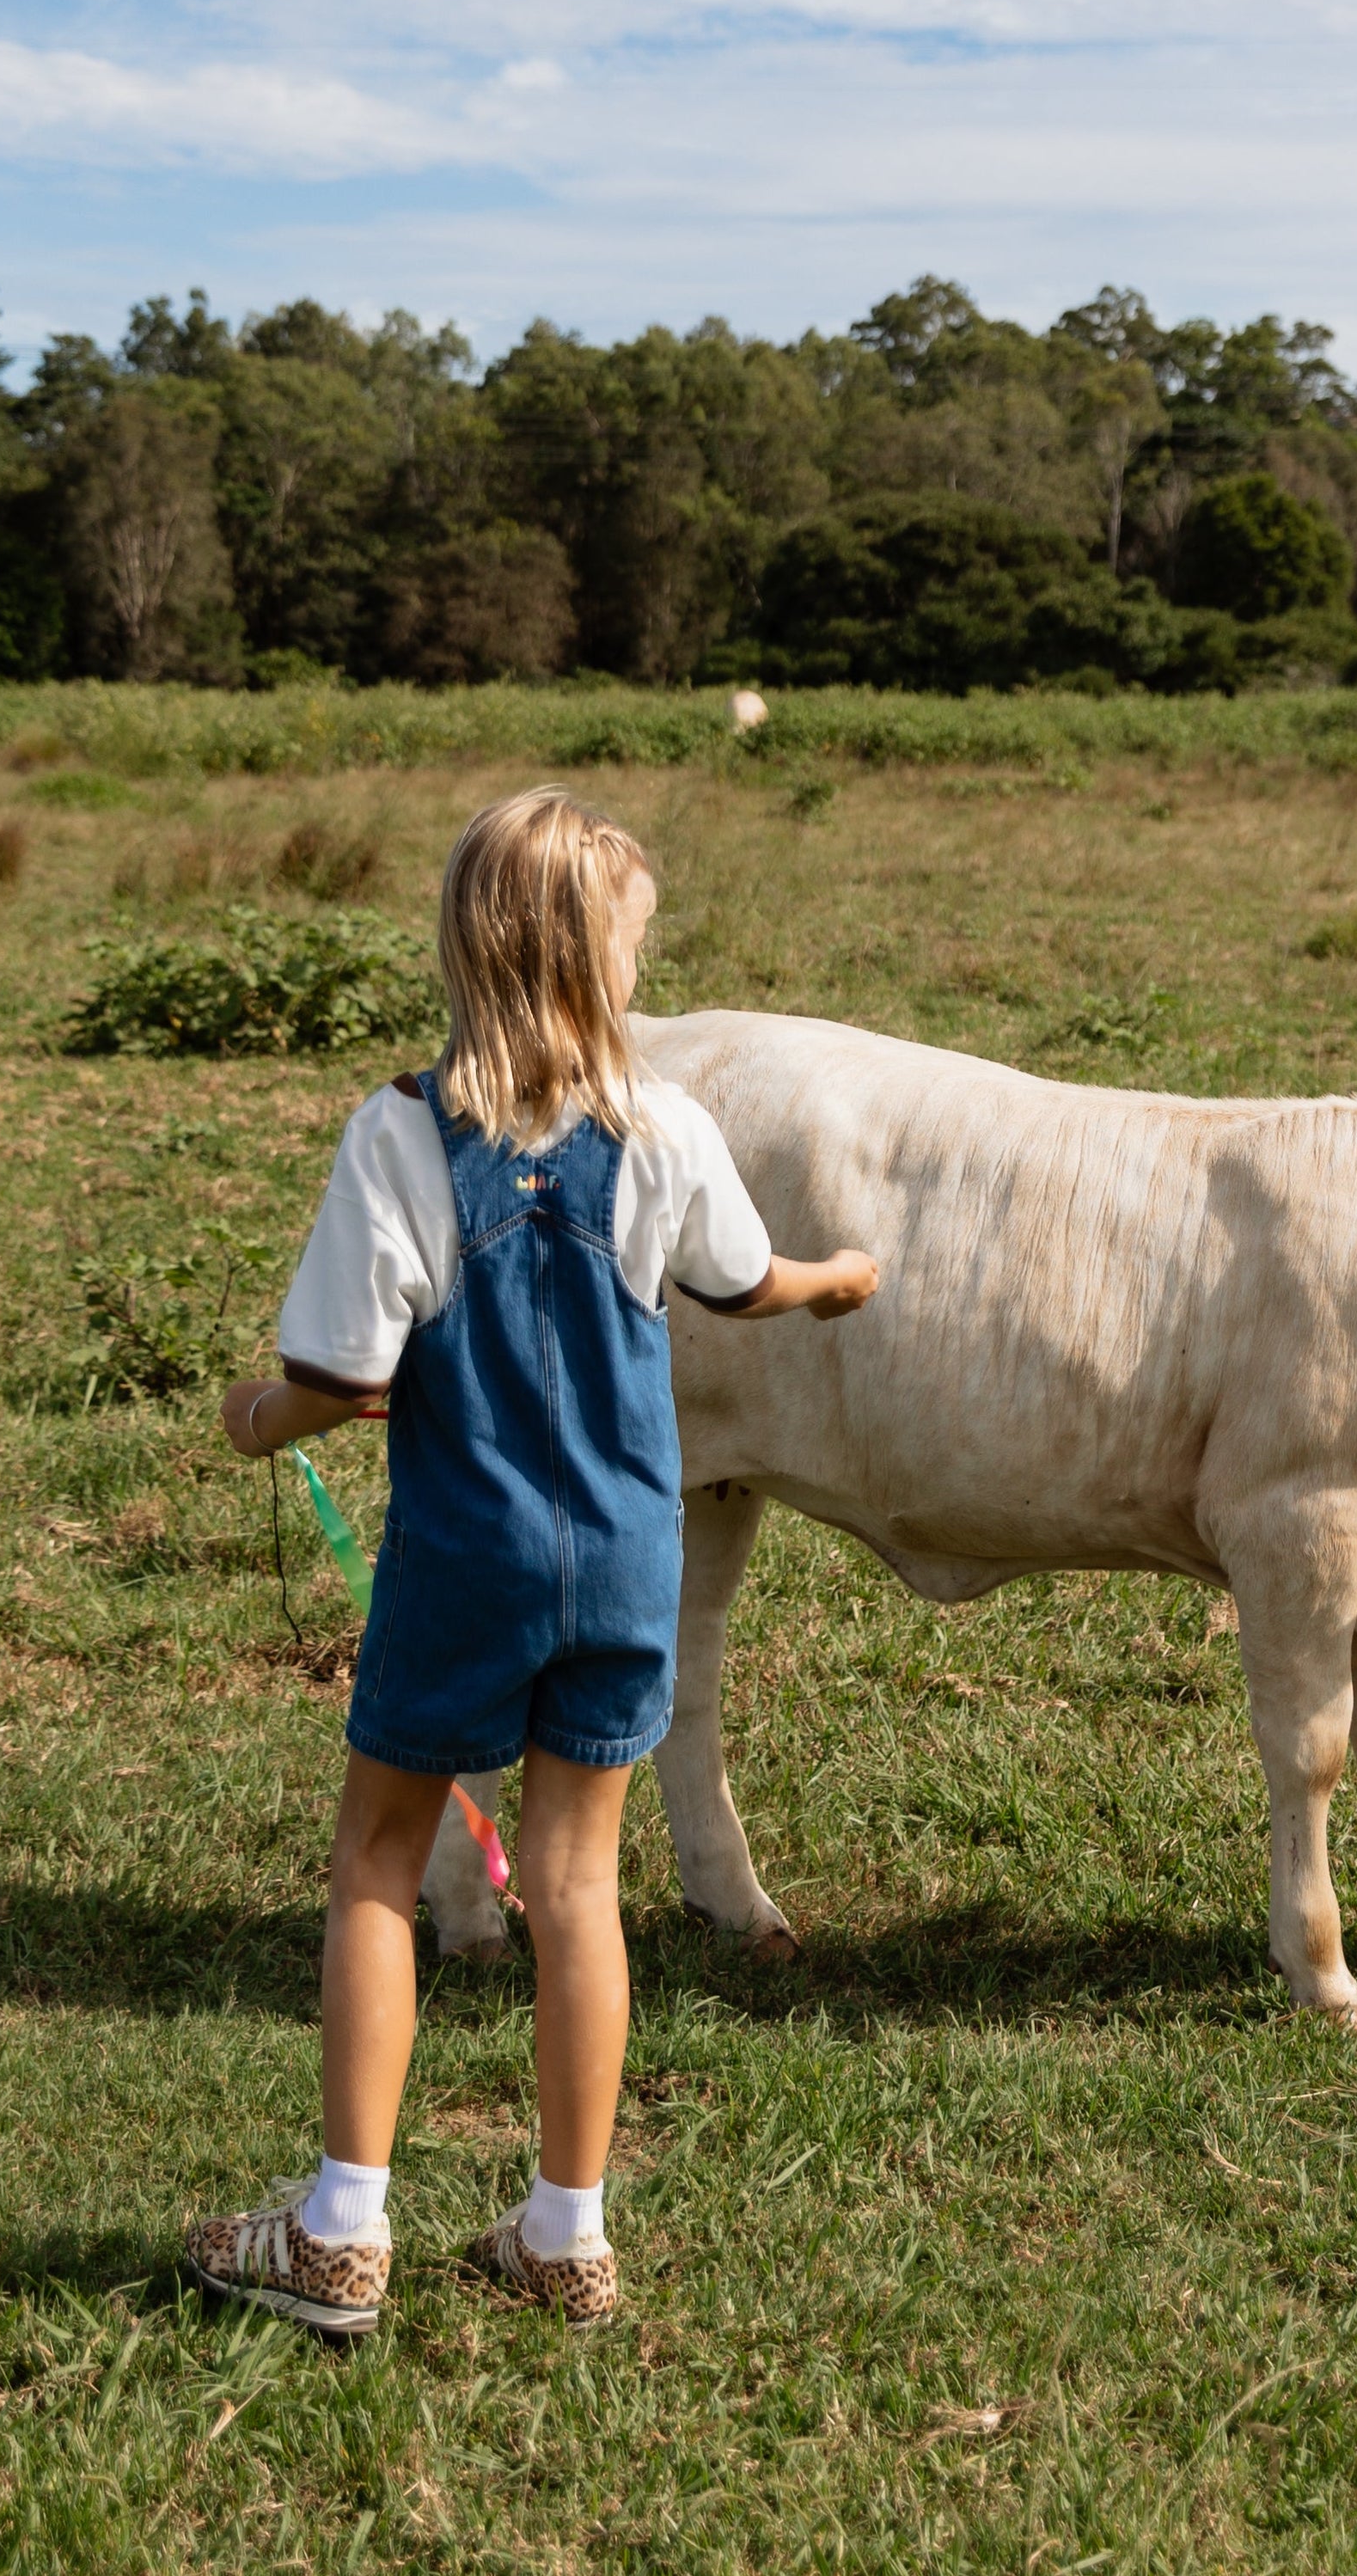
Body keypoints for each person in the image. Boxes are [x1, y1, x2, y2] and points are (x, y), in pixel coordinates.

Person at [186, 786, 878, 2336]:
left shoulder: (400, 1134)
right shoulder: (664, 1127)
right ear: (595, 964)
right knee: (580, 1884)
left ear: (471, 948)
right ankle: (567, 2235)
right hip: (626, 1559)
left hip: (467, 1561)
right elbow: (749, 1280)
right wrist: (836, 1280)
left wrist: (253, 1416)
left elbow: (346, 1377)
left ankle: (340, 2234)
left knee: (376, 1858)